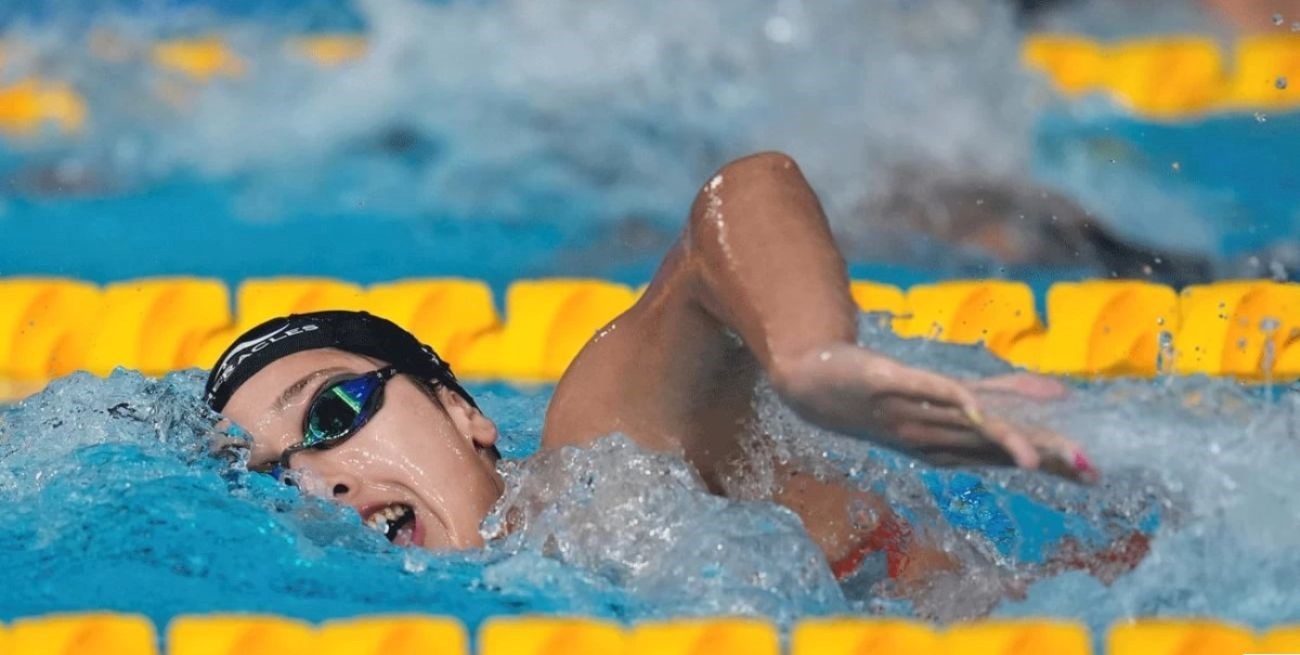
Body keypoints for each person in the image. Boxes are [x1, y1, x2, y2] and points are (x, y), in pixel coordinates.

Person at [206, 152, 1102, 594]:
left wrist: (812, 359)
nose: (313, 477)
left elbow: (743, 195)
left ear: (462, 412)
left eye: (328, 415)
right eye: (272, 475)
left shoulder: (602, 461)